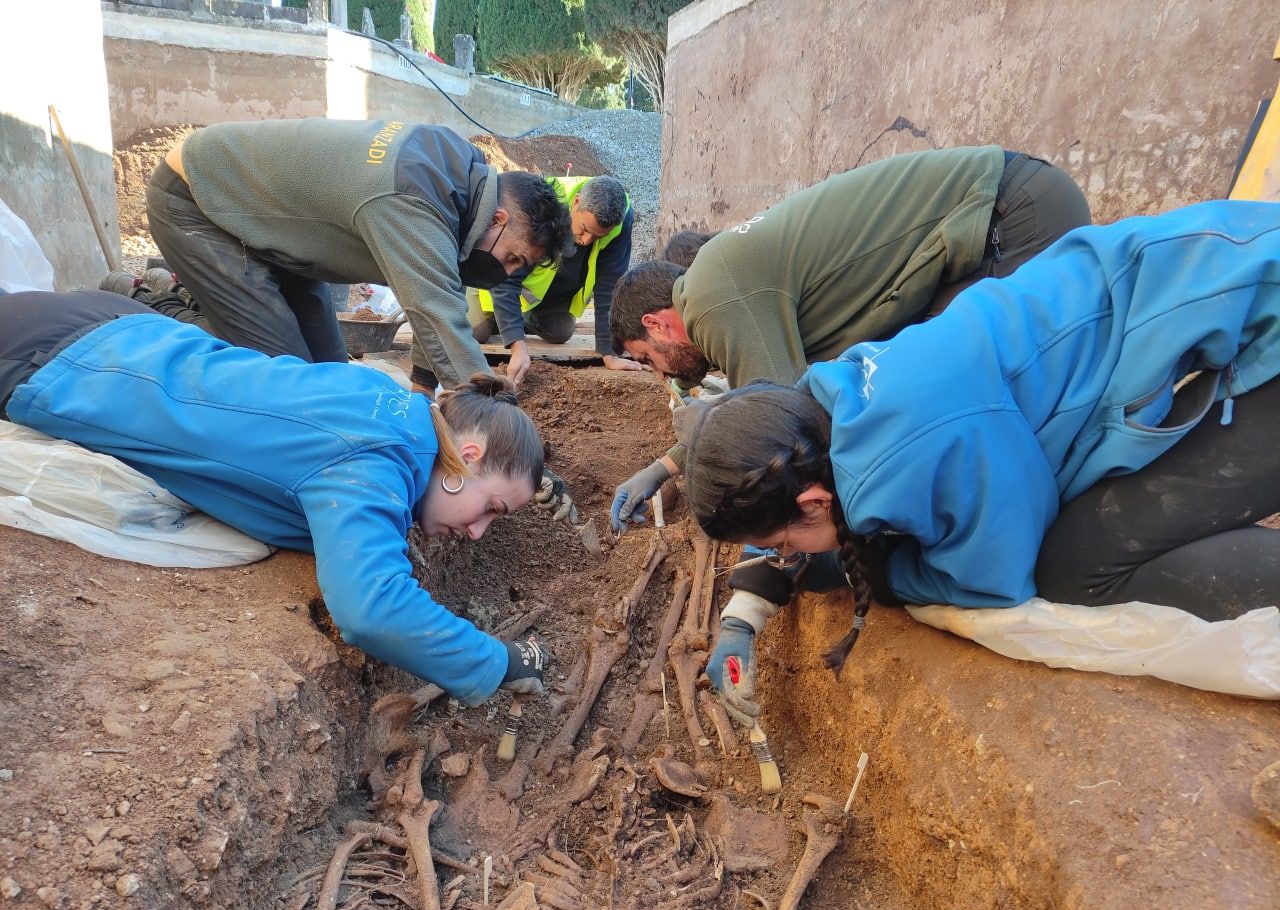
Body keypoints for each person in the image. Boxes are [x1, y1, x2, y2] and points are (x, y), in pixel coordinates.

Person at [679, 200, 1280, 725]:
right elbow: (781, 483)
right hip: (1211, 279)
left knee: (1076, 568)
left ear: (812, 502)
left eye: (781, 544)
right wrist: (744, 613)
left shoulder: (913, 448)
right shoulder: (833, 403)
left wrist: (891, 577)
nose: (783, 556)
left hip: (1256, 333)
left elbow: (995, 578)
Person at [0, 290, 554, 705]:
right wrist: (497, 662)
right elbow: (370, 608)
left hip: (122, 327)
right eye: (490, 509)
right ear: (470, 456)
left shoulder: (391, 401)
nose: (478, 530)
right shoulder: (374, 466)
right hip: (59, 361)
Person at [609, 145, 1091, 531]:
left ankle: (1023, 531)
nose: (661, 373)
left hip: (1008, 216)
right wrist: (664, 468)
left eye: (648, 359)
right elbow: (783, 398)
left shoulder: (711, 301)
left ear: (656, 324)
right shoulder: (722, 286)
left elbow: (778, 431)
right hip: (1002, 210)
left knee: (961, 394)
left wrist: (759, 571)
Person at [140, 118, 570, 390]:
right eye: (514, 258)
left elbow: (439, 288)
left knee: (331, 380)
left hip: (278, 231)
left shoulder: (464, 176)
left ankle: (206, 307)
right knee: (288, 384)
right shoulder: (412, 195)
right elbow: (437, 314)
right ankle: (153, 306)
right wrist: (502, 428)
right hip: (201, 201)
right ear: (497, 219)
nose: (506, 271)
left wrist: (422, 391)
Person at [468, 175, 647, 384]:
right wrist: (517, 346)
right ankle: (493, 317)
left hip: (546, 297)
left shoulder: (619, 221)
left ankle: (510, 320)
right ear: (576, 202)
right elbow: (506, 280)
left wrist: (609, 353)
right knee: (476, 332)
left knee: (560, 330)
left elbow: (610, 285)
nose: (586, 240)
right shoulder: (544, 207)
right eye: (585, 229)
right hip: (492, 282)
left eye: (598, 236)